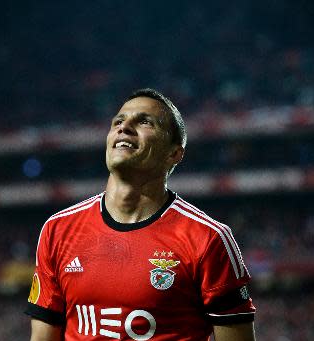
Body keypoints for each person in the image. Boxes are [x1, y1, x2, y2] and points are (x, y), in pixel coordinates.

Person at [25, 88, 256, 340]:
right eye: (118, 121)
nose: (124, 127)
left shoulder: (209, 239)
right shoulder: (58, 229)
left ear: (174, 153)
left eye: (144, 121)